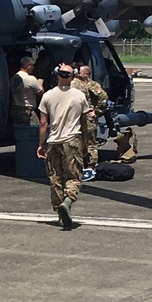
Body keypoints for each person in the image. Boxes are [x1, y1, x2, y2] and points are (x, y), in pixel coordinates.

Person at [37, 64, 90, 229]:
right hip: (72, 140)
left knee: (56, 178)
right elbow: (84, 122)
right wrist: (86, 143)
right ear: (72, 76)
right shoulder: (80, 96)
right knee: (73, 177)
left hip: (53, 142)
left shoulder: (47, 96)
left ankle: (60, 212)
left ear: (56, 75)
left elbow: (43, 124)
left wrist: (41, 145)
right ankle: (67, 202)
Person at [71, 63, 109, 168]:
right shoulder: (77, 83)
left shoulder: (92, 85)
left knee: (91, 143)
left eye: (80, 72)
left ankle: (92, 165)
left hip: (88, 118)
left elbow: (104, 97)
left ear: (86, 74)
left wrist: (96, 111)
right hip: (78, 117)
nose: (77, 74)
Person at [10, 56, 44, 125]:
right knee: (34, 131)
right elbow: (40, 92)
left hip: (15, 109)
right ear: (27, 66)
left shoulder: (13, 78)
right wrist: (40, 83)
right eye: (32, 65)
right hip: (27, 110)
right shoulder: (30, 78)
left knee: (18, 131)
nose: (33, 68)